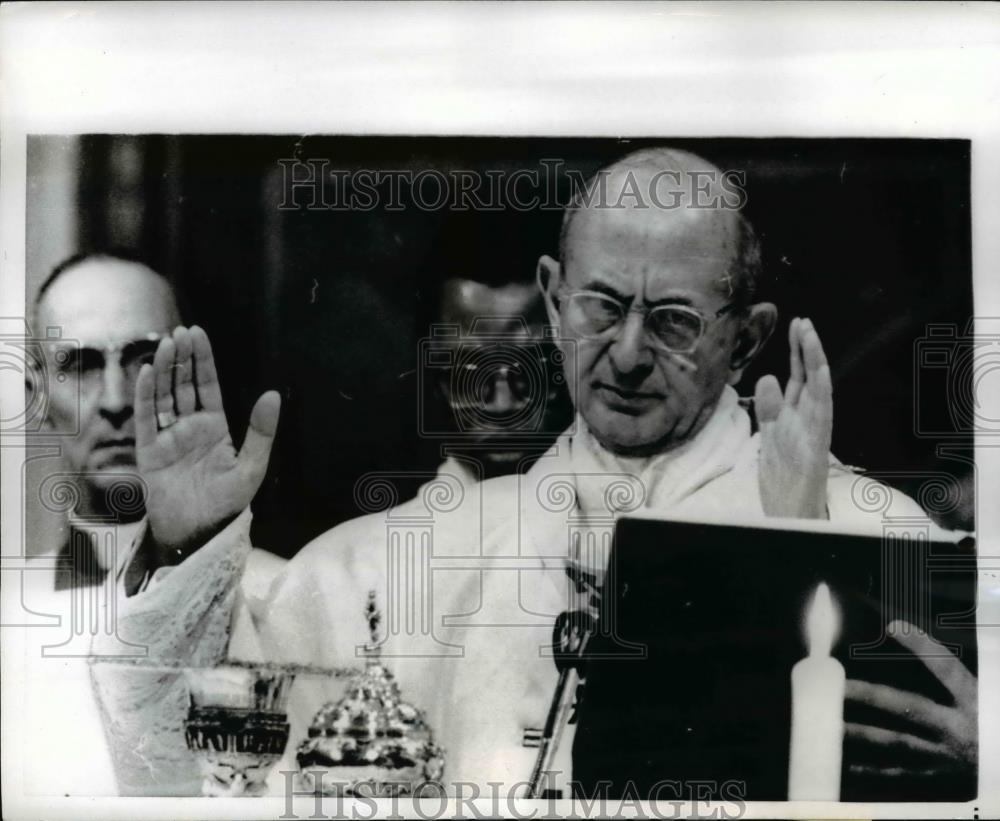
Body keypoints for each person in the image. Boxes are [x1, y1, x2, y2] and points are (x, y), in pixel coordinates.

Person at [91, 148, 976, 797]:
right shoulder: (375, 566)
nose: (627, 354)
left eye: (671, 320)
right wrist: (184, 549)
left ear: (745, 337)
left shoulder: (880, 537)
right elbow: (178, 782)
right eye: (601, 306)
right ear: (554, 297)